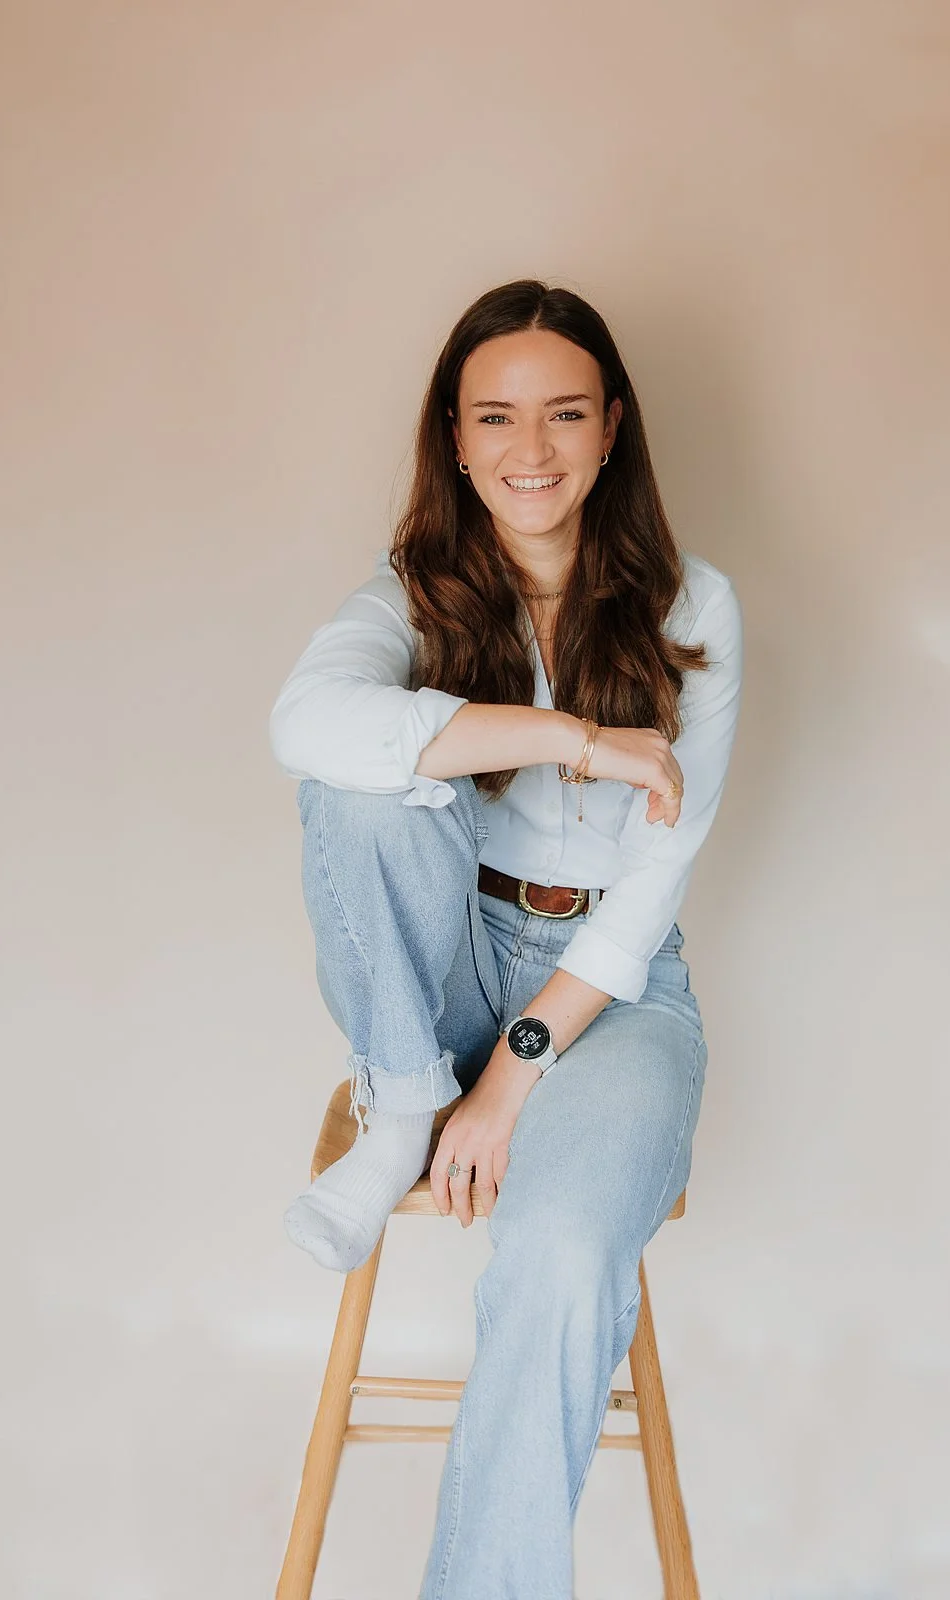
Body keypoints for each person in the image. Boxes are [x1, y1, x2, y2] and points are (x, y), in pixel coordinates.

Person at [268, 278, 743, 1599]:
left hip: (614, 993)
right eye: (495, 418)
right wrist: (575, 737)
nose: (528, 450)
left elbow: (650, 888)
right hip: (441, 962)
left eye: (562, 415)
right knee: (354, 788)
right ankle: (404, 1100)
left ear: (609, 432)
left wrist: (513, 1076)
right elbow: (305, 731)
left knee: (568, 1255)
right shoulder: (408, 596)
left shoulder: (694, 609)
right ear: (457, 439)